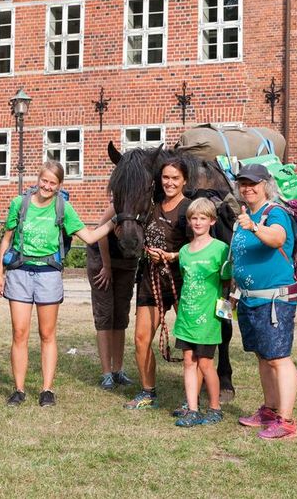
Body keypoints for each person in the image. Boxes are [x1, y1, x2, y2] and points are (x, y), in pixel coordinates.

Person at [0, 161, 118, 407]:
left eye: (53, 183)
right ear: (37, 179)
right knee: (19, 333)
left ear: (59, 185)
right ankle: (18, 390)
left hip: (48, 274)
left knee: (47, 334)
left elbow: (90, 237)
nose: (47, 186)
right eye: (44, 180)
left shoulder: (63, 207)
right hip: (19, 271)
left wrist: (117, 218)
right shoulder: (20, 204)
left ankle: (47, 390)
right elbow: (6, 240)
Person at [229, 162, 297, 440]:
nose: (247, 188)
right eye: (243, 183)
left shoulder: (275, 212)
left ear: (265, 185)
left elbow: (278, 239)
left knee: (279, 359)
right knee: (263, 357)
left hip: (275, 301)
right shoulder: (247, 215)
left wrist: (255, 228)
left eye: (253, 183)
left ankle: (287, 420)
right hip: (250, 300)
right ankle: (269, 411)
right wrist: (235, 293)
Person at [125, 158, 192, 410]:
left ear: (184, 180)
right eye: (166, 177)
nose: (170, 182)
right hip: (151, 279)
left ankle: (191, 398)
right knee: (141, 338)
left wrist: (172, 256)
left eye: (175, 178)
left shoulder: (189, 209)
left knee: (188, 344)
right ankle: (147, 391)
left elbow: (199, 247)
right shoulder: (150, 206)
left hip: (182, 281)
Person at [171, 198, 229, 427]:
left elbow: (226, 281)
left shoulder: (220, 249)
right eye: (193, 218)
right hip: (187, 318)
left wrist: (223, 312)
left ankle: (215, 407)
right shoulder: (184, 251)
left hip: (208, 319)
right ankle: (192, 409)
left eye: (203, 218)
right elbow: (186, 280)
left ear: (212, 221)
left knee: (205, 363)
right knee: (188, 361)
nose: (197, 222)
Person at [86, 220, 136, 390]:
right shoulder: (115, 206)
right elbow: (101, 234)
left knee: (121, 317)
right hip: (102, 261)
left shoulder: (146, 205)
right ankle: (106, 373)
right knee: (105, 315)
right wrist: (106, 266)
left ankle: (118, 370)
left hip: (126, 263)